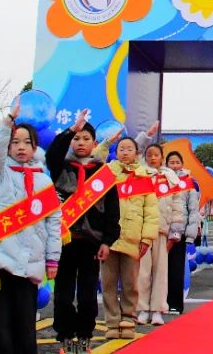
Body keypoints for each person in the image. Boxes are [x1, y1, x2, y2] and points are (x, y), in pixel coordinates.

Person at [0, 107, 62, 354]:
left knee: (25, 327)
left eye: (27, 142)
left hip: (30, 265)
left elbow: (54, 222)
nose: (21, 147)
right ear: (8, 146)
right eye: (15, 142)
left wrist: (53, 258)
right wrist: (7, 123)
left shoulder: (44, 181)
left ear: (35, 147)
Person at [46, 110, 120, 354]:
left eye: (86, 139)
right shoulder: (61, 167)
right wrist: (72, 129)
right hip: (64, 241)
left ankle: (85, 337)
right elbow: (52, 153)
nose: (80, 143)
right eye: (77, 139)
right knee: (63, 295)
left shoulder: (103, 174)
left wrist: (107, 241)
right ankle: (66, 338)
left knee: (88, 295)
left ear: (94, 143)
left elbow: (112, 212)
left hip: (91, 243)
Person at [101, 136, 159, 341]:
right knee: (108, 284)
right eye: (121, 149)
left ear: (136, 153)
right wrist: (106, 143)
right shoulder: (107, 173)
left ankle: (128, 319)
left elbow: (151, 212)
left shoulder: (144, 177)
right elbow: (94, 159)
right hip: (108, 240)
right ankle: (112, 322)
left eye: (129, 149)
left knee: (130, 284)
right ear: (116, 153)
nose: (125, 152)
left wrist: (147, 238)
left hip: (133, 240)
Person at [137, 143, 186, 326]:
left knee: (161, 272)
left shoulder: (171, 177)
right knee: (142, 272)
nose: (152, 158)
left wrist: (175, 233)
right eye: (149, 155)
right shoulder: (140, 176)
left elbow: (178, 207)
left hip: (162, 231)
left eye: (156, 155)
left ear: (162, 157)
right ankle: (143, 309)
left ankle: (158, 309)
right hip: (143, 232)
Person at [164, 150, 201, 315]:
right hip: (162, 231)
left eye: (177, 162)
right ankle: (161, 303)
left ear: (182, 164)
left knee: (176, 269)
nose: (174, 165)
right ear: (166, 164)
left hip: (179, 232)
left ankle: (175, 304)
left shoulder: (188, 182)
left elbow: (193, 210)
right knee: (161, 270)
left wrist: (190, 235)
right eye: (171, 162)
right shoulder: (161, 180)